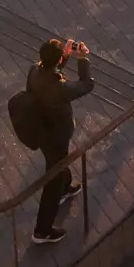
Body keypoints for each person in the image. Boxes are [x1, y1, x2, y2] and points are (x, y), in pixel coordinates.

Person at [26, 37, 94, 244]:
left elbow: (49, 72)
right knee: (53, 176)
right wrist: (82, 60)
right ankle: (42, 230)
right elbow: (85, 85)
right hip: (55, 135)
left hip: (42, 131)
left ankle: (64, 188)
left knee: (57, 161)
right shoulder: (59, 89)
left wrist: (63, 58)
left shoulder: (34, 71)